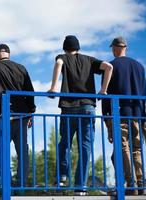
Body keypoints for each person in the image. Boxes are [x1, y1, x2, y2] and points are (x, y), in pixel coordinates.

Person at [48, 35, 113, 195]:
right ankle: (80, 187)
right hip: (87, 107)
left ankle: (62, 177)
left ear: (65, 48)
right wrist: (103, 90)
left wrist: (54, 87)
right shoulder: (89, 60)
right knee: (85, 146)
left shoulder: (62, 57)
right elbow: (109, 67)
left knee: (65, 143)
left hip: (68, 107)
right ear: (78, 47)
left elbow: (58, 63)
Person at [0, 44, 36, 187]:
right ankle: (21, 184)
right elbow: (30, 91)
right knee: (23, 151)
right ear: (8, 54)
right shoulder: (21, 68)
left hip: (1, 116)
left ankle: (7, 183)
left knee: (0, 150)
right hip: (21, 114)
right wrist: (31, 112)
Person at [102, 36, 146, 195]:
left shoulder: (110, 66)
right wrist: (143, 117)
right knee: (137, 149)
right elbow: (144, 93)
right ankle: (141, 183)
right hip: (137, 114)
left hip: (119, 114)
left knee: (123, 148)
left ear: (115, 48)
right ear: (126, 48)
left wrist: (106, 117)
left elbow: (106, 95)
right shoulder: (140, 67)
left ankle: (131, 184)